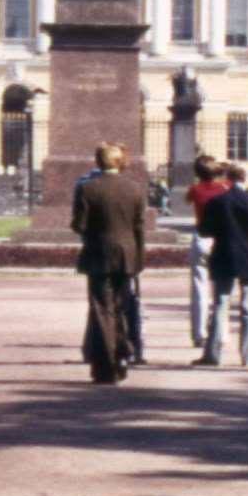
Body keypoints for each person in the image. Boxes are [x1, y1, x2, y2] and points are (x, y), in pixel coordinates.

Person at [72, 142, 145, 384]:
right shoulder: (134, 189)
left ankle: (107, 365)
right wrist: (139, 259)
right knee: (120, 306)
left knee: (102, 309)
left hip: (99, 253)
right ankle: (122, 355)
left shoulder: (88, 188)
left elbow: (80, 226)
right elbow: (139, 228)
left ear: (98, 161)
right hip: (127, 254)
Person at [195, 162, 248, 368]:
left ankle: (213, 354)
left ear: (228, 176)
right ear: (247, 178)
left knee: (220, 304)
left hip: (224, 255)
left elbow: (204, 230)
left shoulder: (217, 201)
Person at [183, 156, 229, 348]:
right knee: (222, 290)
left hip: (201, 237)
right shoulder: (224, 189)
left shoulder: (195, 190)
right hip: (220, 239)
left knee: (199, 289)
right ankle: (220, 333)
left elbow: (187, 201)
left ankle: (199, 334)